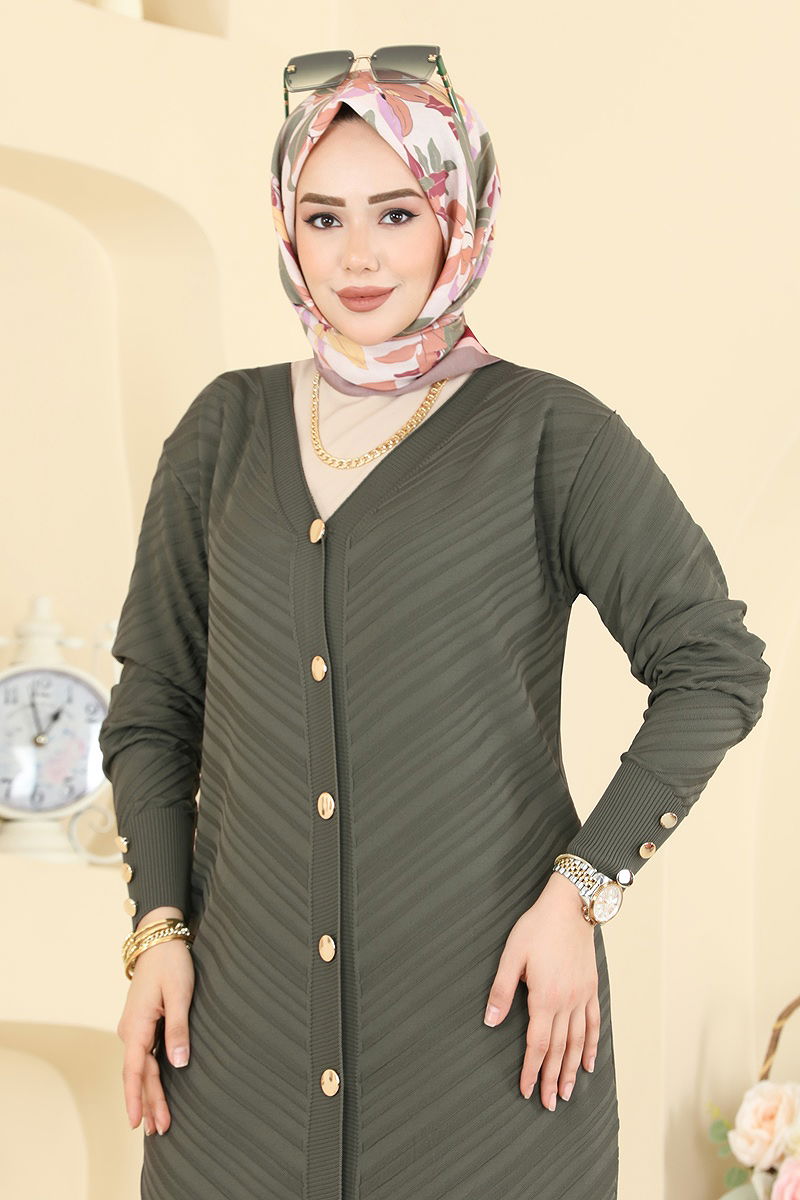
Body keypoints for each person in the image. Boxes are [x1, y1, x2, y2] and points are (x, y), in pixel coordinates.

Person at [99, 57, 771, 1200]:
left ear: (456, 215)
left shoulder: (547, 434)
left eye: (396, 213)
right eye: (325, 218)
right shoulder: (221, 436)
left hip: (490, 1051)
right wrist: (156, 927)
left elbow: (712, 665)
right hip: (236, 1061)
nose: (358, 257)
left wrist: (580, 892)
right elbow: (153, 707)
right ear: (288, 229)